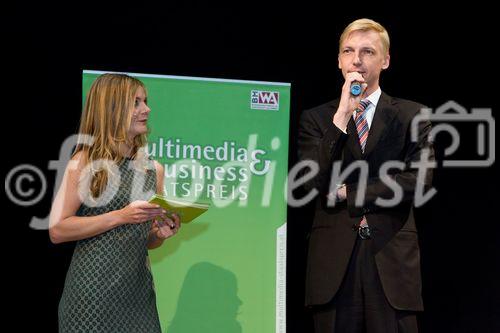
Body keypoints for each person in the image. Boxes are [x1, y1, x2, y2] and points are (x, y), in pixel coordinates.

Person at [298, 18, 434, 332]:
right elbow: (309, 182)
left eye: (367, 51)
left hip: (391, 262)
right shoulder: (318, 119)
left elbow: (418, 182)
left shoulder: (413, 115)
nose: (357, 59)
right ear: (338, 60)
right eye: (348, 51)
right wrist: (342, 116)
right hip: (333, 266)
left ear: (385, 60)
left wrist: (349, 191)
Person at [49, 73, 181, 332]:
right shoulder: (85, 161)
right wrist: (120, 216)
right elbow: (58, 229)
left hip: (138, 296)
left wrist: (159, 234)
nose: (147, 109)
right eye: (136, 102)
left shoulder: (154, 170)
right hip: (91, 297)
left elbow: (148, 240)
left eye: (145, 101)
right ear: (112, 108)